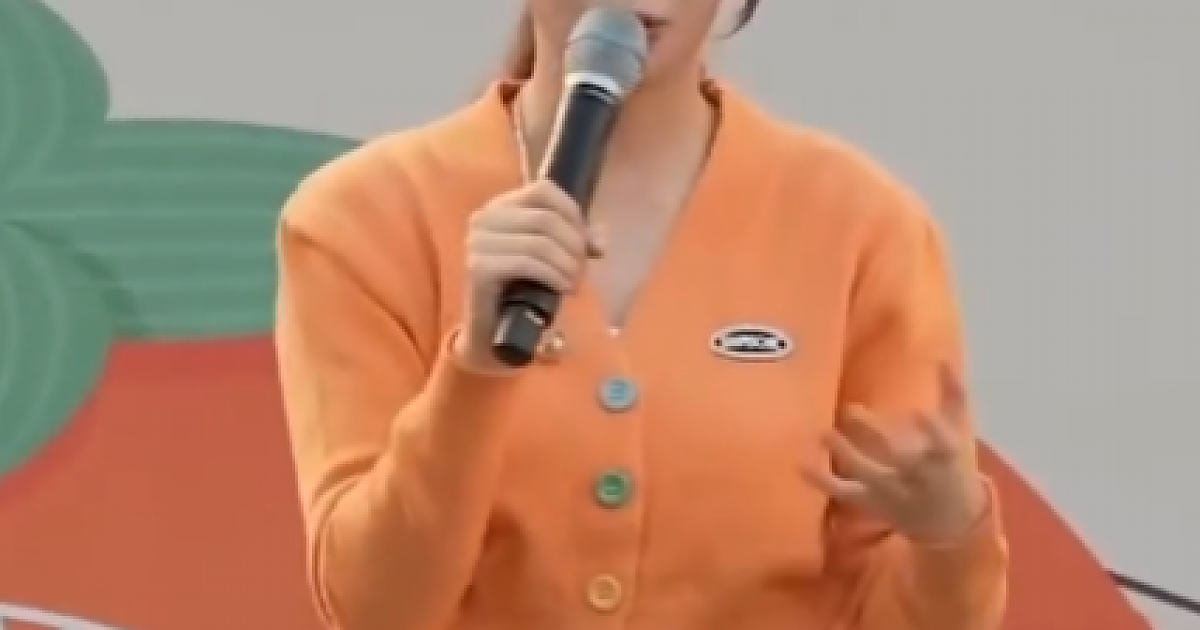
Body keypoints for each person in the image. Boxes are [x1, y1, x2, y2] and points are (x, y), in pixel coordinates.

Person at [273, 0, 1008, 628]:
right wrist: (476, 371)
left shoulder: (860, 226)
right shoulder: (361, 220)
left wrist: (947, 538)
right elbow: (375, 608)